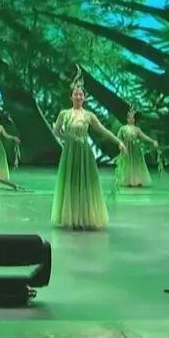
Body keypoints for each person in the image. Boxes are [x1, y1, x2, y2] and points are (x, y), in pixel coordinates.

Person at [51, 66, 127, 230]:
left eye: (81, 94)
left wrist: (119, 142)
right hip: (70, 153)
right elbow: (56, 131)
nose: (78, 97)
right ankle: (71, 217)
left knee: (85, 184)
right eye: (76, 94)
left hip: (84, 153)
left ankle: (85, 217)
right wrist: (67, 139)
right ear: (71, 96)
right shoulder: (64, 114)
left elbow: (103, 131)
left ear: (84, 97)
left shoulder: (89, 115)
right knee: (71, 183)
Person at [113, 105, 159, 188]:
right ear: (127, 119)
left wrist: (152, 141)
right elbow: (118, 138)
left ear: (134, 119)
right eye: (129, 118)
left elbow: (144, 137)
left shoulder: (137, 129)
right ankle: (128, 180)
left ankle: (137, 180)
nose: (131, 120)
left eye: (132, 118)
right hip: (126, 148)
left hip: (135, 149)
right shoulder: (123, 129)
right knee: (127, 164)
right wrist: (120, 144)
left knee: (136, 164)